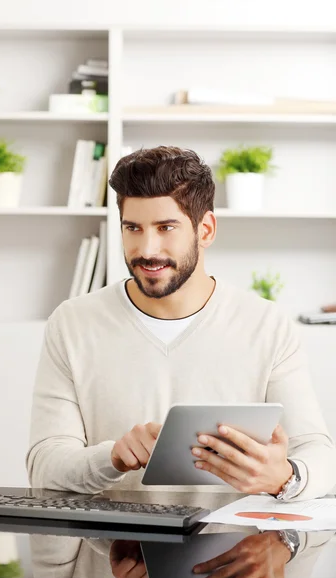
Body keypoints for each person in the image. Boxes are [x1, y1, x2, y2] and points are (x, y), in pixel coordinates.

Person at [26, 145, 336, 501]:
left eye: (165, 227)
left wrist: (285, 477)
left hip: (234, 548)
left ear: (205, 230)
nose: (147, 248)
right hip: (116, 550)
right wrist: (111, 456)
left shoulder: (266, 325)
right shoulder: (73, 323)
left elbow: (319, 452)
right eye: (133, 228)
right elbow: (43, 466)